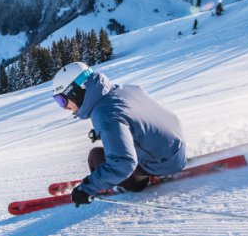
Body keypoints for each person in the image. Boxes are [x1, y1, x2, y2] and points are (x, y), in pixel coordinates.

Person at [50, 61, 186, 207]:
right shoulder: (120, 90)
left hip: (163, 164)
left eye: (62, 100)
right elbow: (133, 117)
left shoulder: (104, 114)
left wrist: (87, 189)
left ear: (75, 92)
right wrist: (100, 131)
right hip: (177, 147)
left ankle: (134, 182)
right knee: (110, 148)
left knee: (96, 157)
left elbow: (123, 162)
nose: (64, 108)